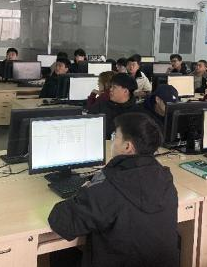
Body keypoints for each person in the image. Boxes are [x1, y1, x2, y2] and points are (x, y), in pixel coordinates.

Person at [48, 112, 179, 267]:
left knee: (58, 254)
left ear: (127, 147)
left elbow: (60, 221)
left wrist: (84, 192)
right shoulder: (165, 179)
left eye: (115, 136)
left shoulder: (110, 186)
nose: (112, 141)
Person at [88, 73, 144, 138]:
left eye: (114, 87)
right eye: (111, 86)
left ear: (125, 91)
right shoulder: (101, 106)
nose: (110, 89)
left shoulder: (138, 114)